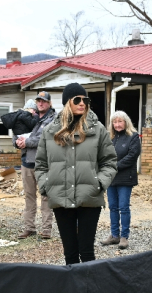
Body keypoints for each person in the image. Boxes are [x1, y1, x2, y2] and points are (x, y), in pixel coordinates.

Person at [35, 83, 117, 265]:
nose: (83, 103)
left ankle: (90, 291)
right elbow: (40, 164)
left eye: (85, 100)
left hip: (89, 197)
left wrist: (99, 183)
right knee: (70, 253)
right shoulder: (50, 131)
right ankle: (72, 292)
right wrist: (46, 185)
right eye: (77, 100)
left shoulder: (98, 129)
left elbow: (110, 162)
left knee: (87, 252)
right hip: (60, 196)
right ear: (67, 103)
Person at [15, 91, 57, 239]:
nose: (41, 103)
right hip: (27, 162)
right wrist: (17, 141)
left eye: (44, 101)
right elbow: (18, 131)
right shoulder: (30, 117)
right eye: (39, 100)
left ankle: (46, 230)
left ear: (49, 103)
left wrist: (26, 142)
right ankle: (29, 228)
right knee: (29, 196)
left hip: (44, 164)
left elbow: (45, 139)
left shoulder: (54, 119)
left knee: (45, 196)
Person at [100, 111, 141, 250]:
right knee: (113, 207)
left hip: (125, 178)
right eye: (115, 122)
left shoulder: (133, 137)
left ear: (126, 122)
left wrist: (114, 166)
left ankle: (124, 236)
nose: (117, 124)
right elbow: (103, 154)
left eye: (120, 121)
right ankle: (114, 235)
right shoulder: (109, 137)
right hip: (111, 178)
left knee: (123, 207)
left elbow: (132, 156)